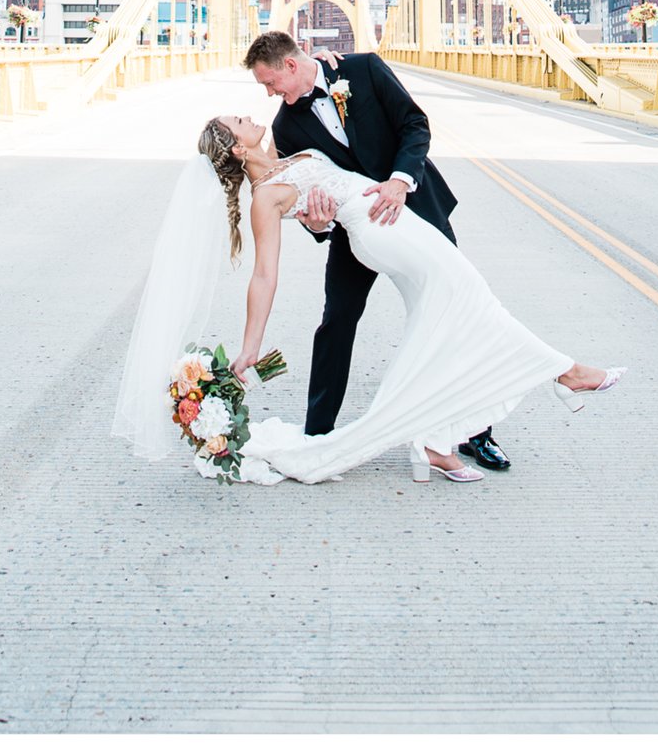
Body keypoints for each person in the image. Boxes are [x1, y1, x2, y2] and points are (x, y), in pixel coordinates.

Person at [198, 114, 622, 483]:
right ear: (238, 147)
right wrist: (250, 345)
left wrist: (326, 60)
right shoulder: (265, 197)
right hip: (381, 231)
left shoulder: (280, 156)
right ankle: (567, 372)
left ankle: (436, 444)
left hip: (393, 220)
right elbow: (265, 275)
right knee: (471, 299)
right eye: (239, 121)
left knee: (444, 321)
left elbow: (310, 89)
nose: (249, 115)